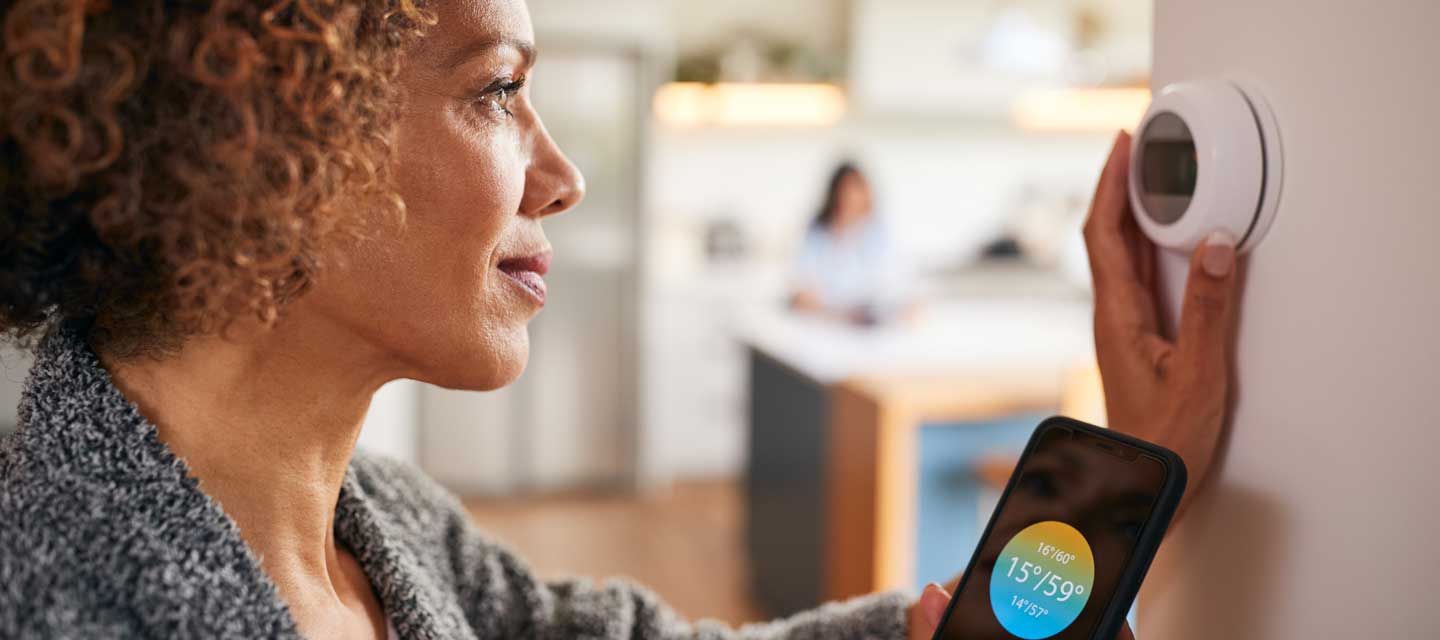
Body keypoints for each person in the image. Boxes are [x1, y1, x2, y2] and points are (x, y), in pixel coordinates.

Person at [0, 1, 1240, 638]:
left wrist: (1112, 492)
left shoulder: (388, 528)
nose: (564, 175)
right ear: (263, 134)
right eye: (497, 91)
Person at [790, 162, 911, 325]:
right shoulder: (816, 230)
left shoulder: (877, 230)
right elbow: (803, 285)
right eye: (843, 193)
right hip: (826, 318)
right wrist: (833, 311)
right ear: (833, 196)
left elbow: (890, 281)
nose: (849, 200)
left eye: (854, 193)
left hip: (866, 316)